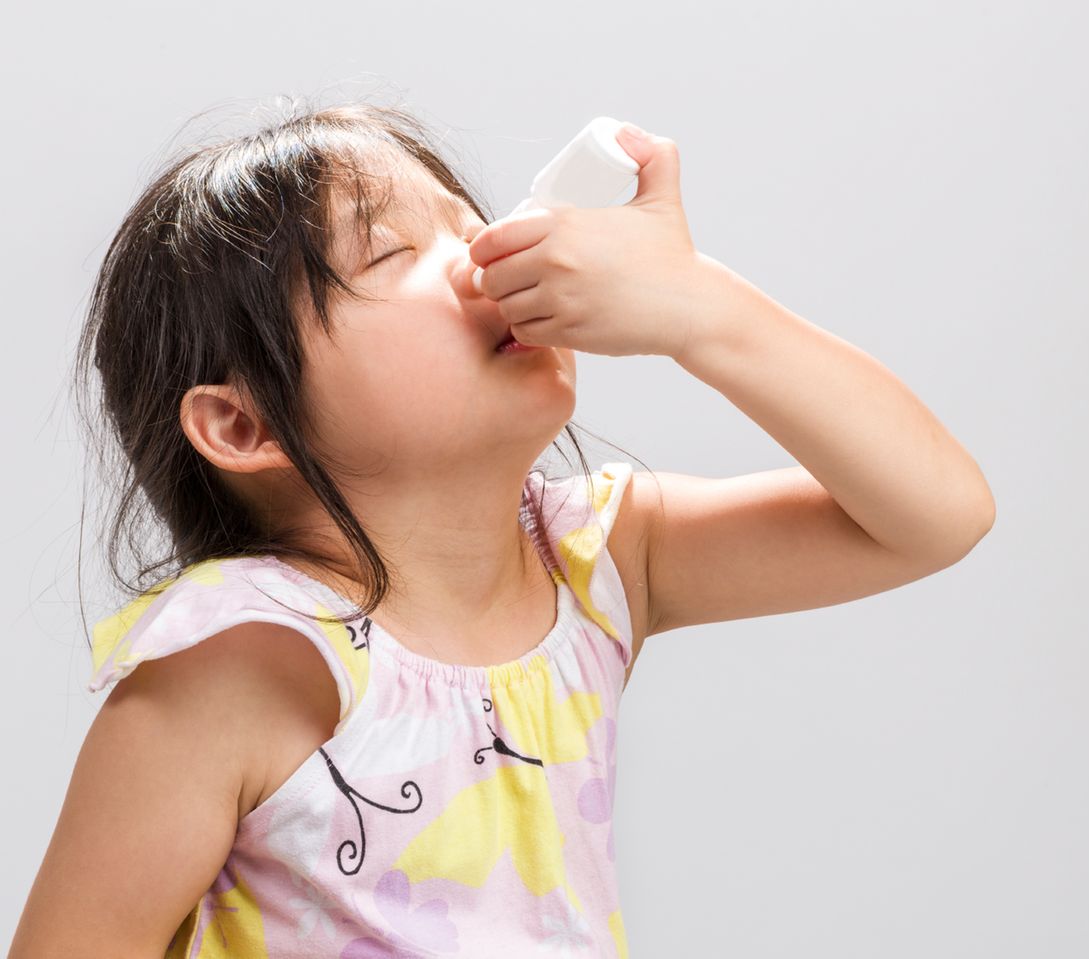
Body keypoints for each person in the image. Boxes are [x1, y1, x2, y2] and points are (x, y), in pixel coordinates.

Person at [9, 99, 996, 957]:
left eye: (472, 222)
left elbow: (935, 515)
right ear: (243, 424)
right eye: (390, 250)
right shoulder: (240, 663)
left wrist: (702, 308)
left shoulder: (596, 559)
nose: (493, 254)